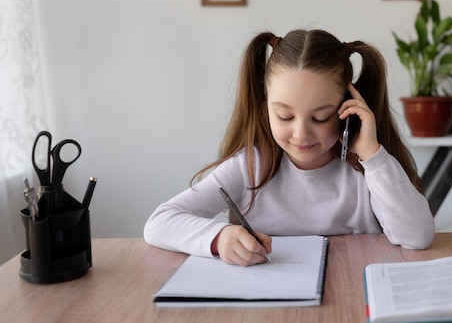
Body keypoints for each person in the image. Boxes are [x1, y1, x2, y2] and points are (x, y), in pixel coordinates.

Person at [144, 29, 435, 266]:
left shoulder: (368, 170)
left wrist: (372, 155)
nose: (301, 133)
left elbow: (418, 236)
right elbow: (159, 223)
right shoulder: (250, 167)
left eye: (320, 117)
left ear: (347, 108)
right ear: (265, 106)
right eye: (284, 116)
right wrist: (219, 237)